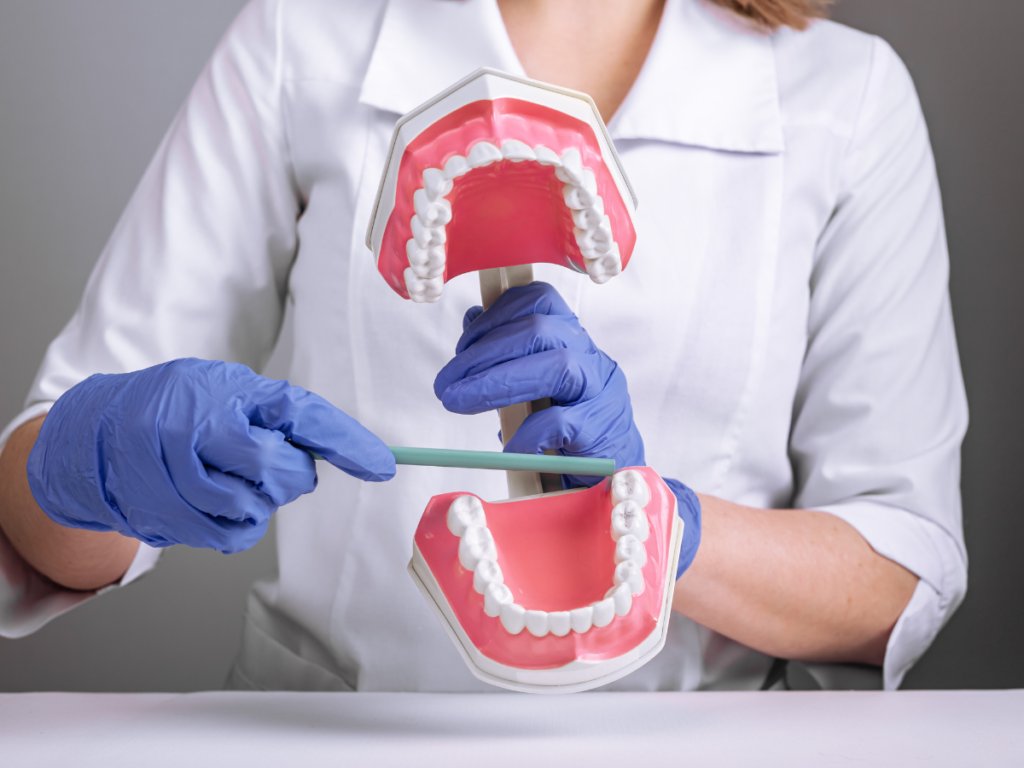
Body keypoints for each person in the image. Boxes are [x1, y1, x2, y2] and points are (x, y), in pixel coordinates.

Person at [0, 0, 967, 692]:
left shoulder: (848, 95)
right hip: (338, 739)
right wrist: (92, 466)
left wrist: (657, 528)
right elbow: (30, 516)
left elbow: (896, 574)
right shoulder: (302, 32)